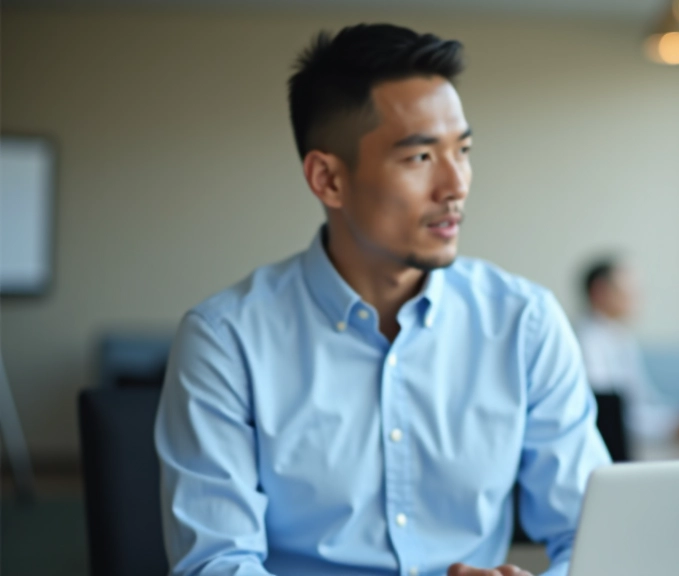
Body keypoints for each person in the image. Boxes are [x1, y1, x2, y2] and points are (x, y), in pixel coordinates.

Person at [154, 24, 610, 576]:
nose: (456, 185)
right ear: (328, 179)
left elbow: (594, 537)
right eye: (420, 158)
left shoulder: (525, 324)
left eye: (462, 150)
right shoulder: (226, 341)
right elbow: (217, 564)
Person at [573, 258, 679, 442]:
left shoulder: (619, 336)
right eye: (628, 291)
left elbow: (642, 401)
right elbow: (612, 417)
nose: (637, 298)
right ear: (600, 291)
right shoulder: (586, 343)